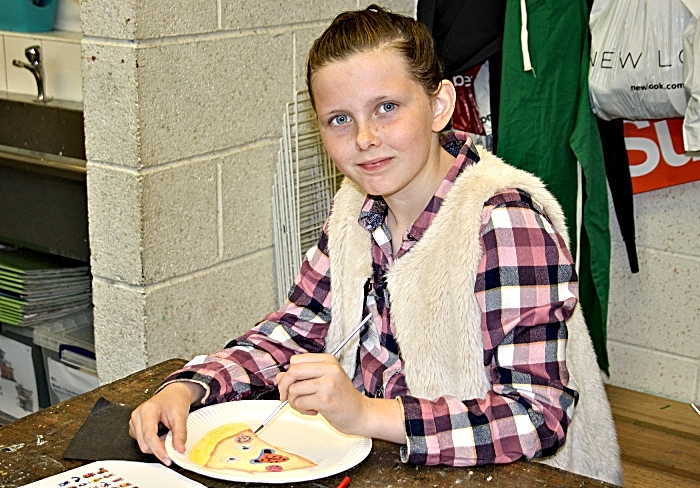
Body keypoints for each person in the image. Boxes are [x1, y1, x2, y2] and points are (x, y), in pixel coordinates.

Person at [129, 5, 622, 485]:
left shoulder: (504, 221)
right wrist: (191, 385)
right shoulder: (355, 206)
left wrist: (364, 413)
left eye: (387, 108)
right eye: (339, 119)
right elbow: (298, 326)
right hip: (398, 466)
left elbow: (536, 416)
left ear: (439, 106)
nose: (365, 138)